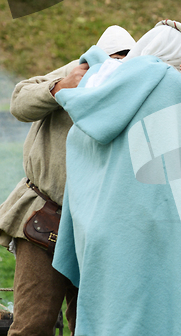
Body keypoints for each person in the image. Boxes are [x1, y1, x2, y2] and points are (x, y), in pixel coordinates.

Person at [51, 20, 181, 335]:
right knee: (158, 318)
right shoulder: (168, 84)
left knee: (110, 318)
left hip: (100, 229)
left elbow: (79, 156)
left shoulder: (98, 85)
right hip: (155, 230)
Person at [0, 25, 135, 336]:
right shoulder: (72, 72)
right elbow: (19, 103)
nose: (117, 65)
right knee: (31, 326)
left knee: (94, 328)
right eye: (114, 58)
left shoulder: (135, 88)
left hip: (102, 226)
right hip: (46, 218)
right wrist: (61, 86)